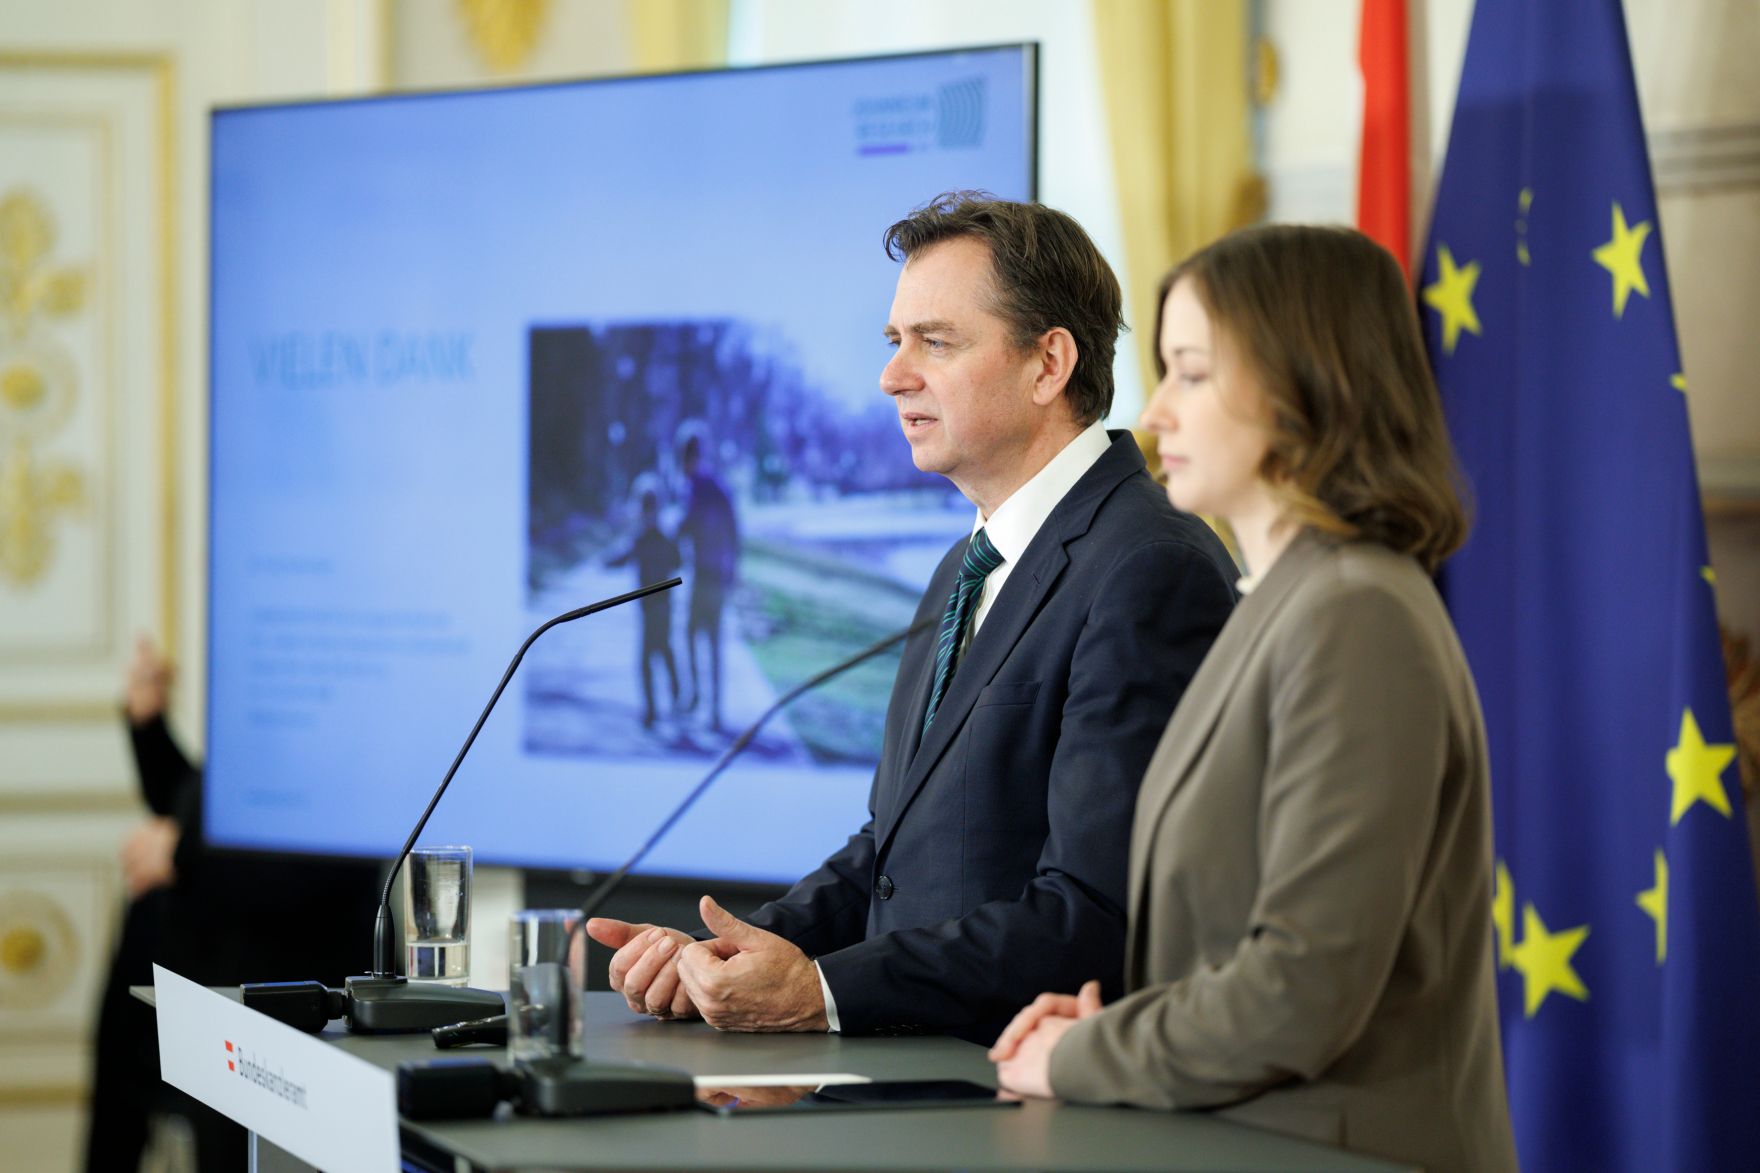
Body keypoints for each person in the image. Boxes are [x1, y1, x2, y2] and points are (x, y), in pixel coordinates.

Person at [587, 192, 1237, 1041]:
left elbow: (1092, 915)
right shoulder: (966, 568)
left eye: (936, 342)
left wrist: (821, 990)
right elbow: (895, 857)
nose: (894, 374)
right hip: (917, 1090)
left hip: (1028, 1110)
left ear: (1049, 364)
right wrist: (734, 957)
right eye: (895, 342)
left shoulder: (1148, 569)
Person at [987, 224, 1518, 1172]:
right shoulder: (1285, 601)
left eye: (1191, 373)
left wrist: (1084, 1053)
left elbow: (1305, 985)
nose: (1157, 413)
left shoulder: (1357, 615)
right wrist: (1131, 1017)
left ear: (1304, 382)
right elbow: (1234, 940)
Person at [85, 638, 381, 1172]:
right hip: (197, 1002)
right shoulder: (262, 725)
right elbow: (194, 803)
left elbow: (313, 871)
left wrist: (180, 851)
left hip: (260, 1021)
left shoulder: (339, 736)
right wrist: (148, 726)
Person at [674, 422, 739, 732]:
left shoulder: (698, 489)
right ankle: (712, 707)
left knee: (694, 635)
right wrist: (733, 571)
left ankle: (700, 697)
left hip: (705, 575)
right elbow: (735, 533)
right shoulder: (718, 487)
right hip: (717, 573)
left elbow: (686, 526)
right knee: (710, 641)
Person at [604, 473, 682, 727]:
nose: (647, 513)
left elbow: (678, 561)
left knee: (651, 655)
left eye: (650, 508)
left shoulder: (659, 537)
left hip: (660, 606)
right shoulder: (644, 538)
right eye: (645, 508)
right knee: (660, 651)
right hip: (649, 606)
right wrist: (608, 560)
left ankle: (657, 708)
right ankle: (669, 699)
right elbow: (623, 557)